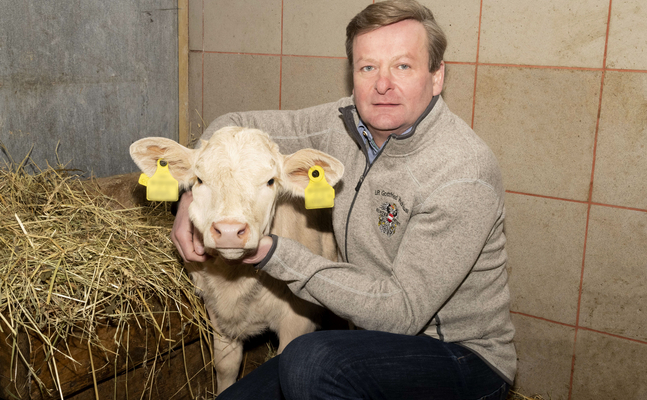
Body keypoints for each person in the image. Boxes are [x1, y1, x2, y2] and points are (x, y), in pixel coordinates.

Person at [172, 0, 516, 398]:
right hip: (367, 338)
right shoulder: (342, 122)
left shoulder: (461, 172)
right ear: (352, 74)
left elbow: (399, 313)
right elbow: (231, 125)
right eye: (368, 66)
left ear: (437, 76)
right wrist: (190, 195)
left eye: (403, 66)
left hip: (459, 356)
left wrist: (272, 252)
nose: (382, 84)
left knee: (311, 361)